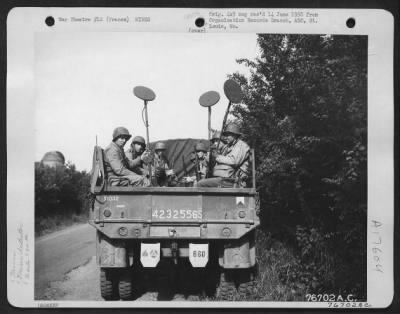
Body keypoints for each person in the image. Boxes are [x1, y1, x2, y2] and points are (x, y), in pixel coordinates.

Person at [197, 123, 250, 188]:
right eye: (225, 135)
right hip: (226, 178)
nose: (225, 138)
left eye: (228, 135)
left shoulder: (242, 146)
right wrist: (213, 155)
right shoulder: (230, 147)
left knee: (200, 184)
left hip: (234, 180)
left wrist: (217, 156)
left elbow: (234, 161)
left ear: (234, 135)